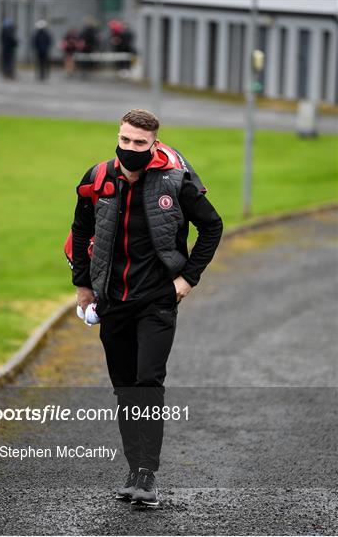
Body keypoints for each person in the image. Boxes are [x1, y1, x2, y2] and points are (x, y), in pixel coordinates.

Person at [70, 109, 223, 507]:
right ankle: (134, 469)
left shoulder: (176, 179)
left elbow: (212, 226)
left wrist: (188, 279)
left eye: (140, 143)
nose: (131, 149)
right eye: (125, 141)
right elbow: (81, 231)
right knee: (125, 391)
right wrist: (84, 288)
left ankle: (146, 475)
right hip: (113, 301)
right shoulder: (97, 179)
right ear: (117, 137)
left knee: (147, 382)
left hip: (157, 299)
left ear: (154, 143)